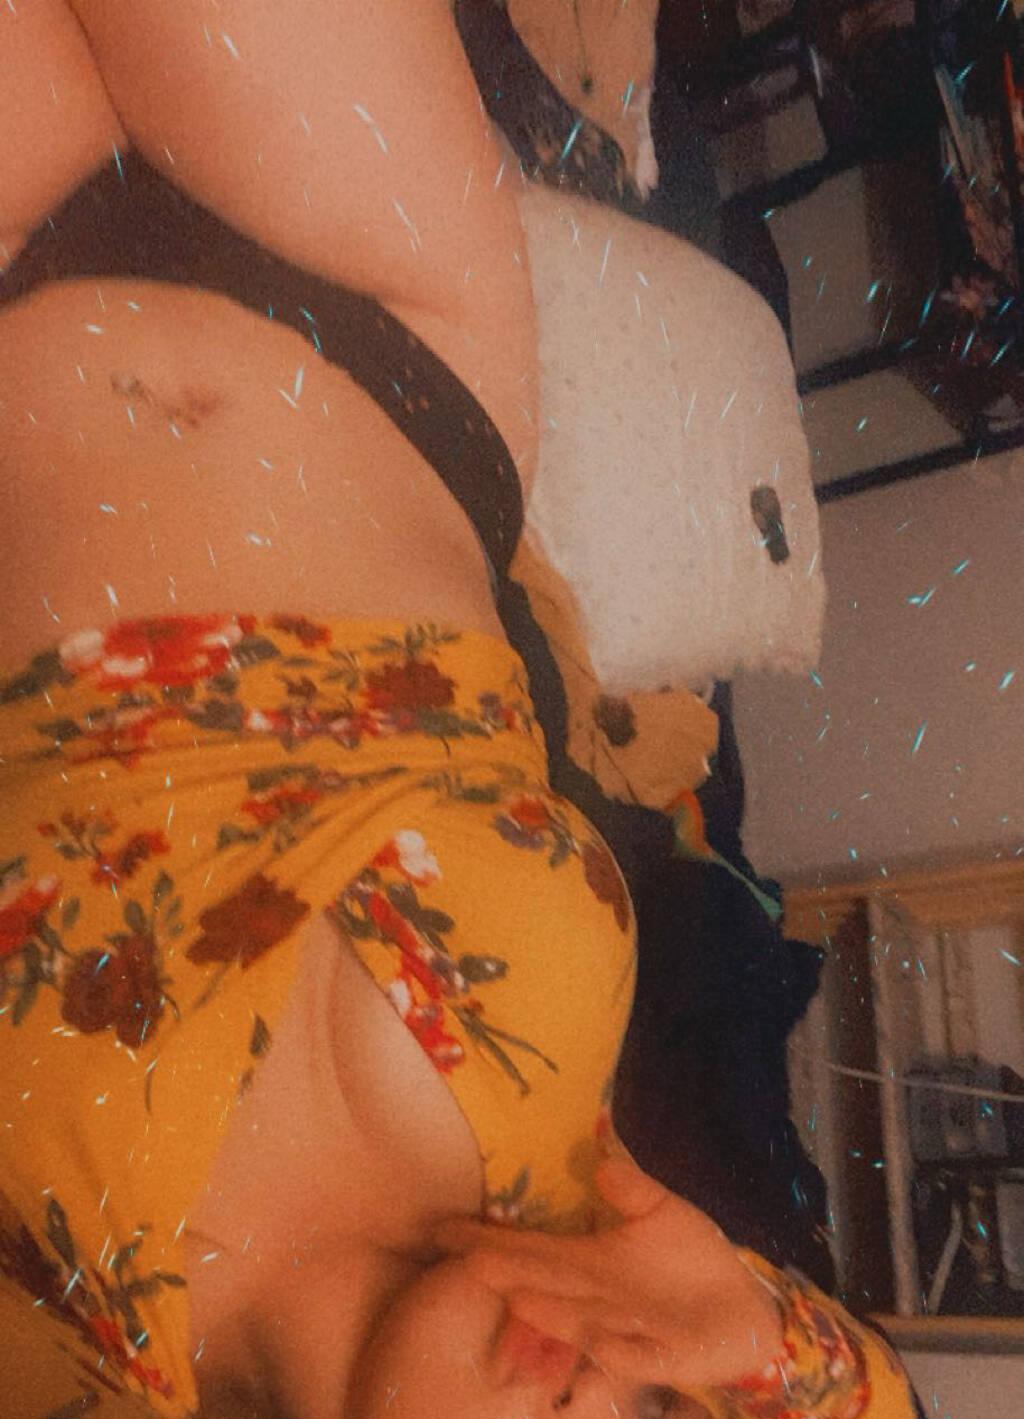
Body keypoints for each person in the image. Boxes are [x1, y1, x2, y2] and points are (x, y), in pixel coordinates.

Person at [1, 3, 919, 1417]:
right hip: (393, 317)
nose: (607, 1400)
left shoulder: (85, 1358)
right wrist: (768, 1347)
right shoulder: (589, 1226)